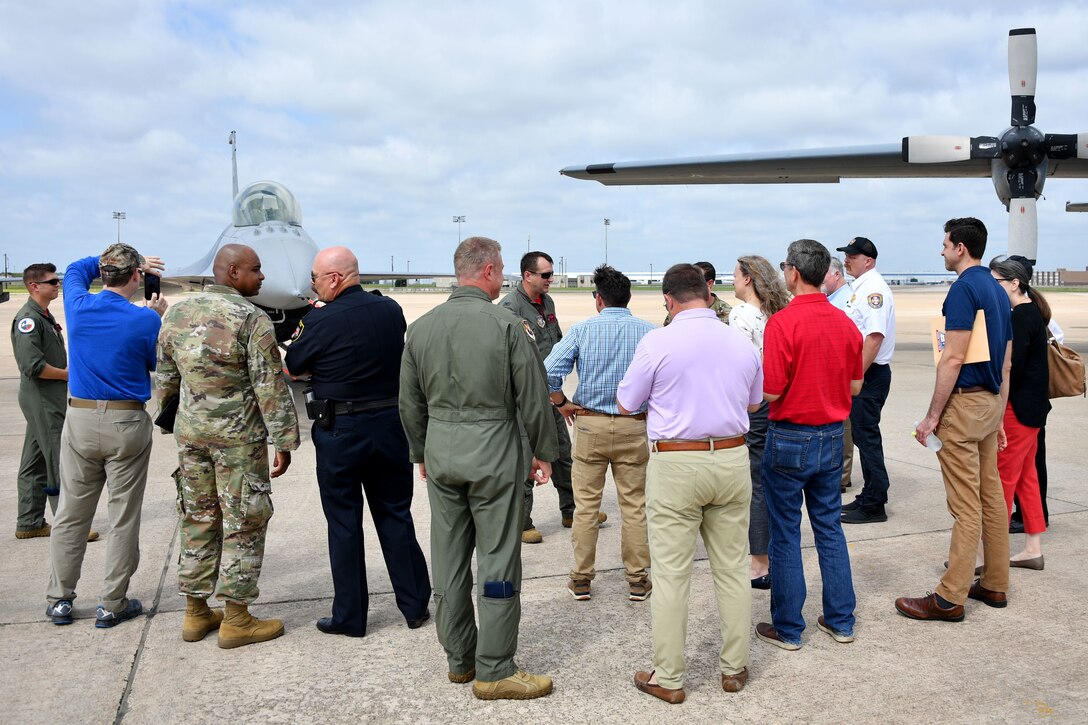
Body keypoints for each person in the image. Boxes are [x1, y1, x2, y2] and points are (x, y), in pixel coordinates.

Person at [400, 237, 558, 701]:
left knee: (448, 559)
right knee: (497, 558)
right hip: (494, 454)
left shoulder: (421, 328)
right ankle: (494, 668)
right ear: (488, 271)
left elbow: (409, 402)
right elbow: (533, 397)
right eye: (502, 268)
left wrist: (421, 453)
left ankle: (459, 659)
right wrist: (544, 451)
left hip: (442, 453)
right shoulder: (507, 326)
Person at [619, 263, 762, 704]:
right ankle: (733, 668)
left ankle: (670, 677)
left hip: (678, 463)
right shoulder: (740, 341)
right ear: (707, 292)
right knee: (732, 569)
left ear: (669, 299)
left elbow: (626, 402)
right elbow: (755, 402)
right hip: (733, 457)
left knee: (672, 575)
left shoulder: (658, 341)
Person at [157, 244, 300, 647]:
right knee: (245, 521)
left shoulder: (177, 313)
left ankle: (195, 612)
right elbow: (269, 386)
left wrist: (174, 424)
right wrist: (284, 440)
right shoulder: (251, 319)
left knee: (197, 517)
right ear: (233, 272)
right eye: (256, 270)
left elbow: (166, 377)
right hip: (237, 443)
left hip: (192, 437)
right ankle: (237, 618)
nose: (262, 277)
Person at [284, 246, 431, 637]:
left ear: (334, 278)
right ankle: (415, 606)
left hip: (341, 432)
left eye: (315, 279)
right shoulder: (390, 310)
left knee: (344, 524)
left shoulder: (320, 320)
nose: (312, 287)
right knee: (396, 515)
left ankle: (350, 618)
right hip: (389, 426)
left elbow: (293, 365)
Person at [896, 217, 1012, 622]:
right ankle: (996, 582)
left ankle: (949, 597)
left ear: (960, 247)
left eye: (944, 244)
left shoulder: (963, 289)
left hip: (963, 406)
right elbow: (1008, 362)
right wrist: (998, 413)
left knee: (965, 506)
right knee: (991, 496)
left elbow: (954, 355)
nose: (941, 250)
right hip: (990, 401)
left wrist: (932, 416)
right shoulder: (998, 290)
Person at [45, 243, 166, 628]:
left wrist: (118, 260)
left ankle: (60, 599)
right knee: (123, 516)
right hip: (125, 422)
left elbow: (75, 267)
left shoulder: (78, 305)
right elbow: (153, 363)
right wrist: (156, 317)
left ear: (104, 272)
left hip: (80, 419)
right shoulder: (143, 319)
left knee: (70, 515)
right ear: (136, 278)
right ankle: (112, 603)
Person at [755, 239, 863, 651]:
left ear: (793, 273)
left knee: (785, 533)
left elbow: (772, 392)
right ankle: (840, 620)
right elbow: (855, 385)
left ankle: (788, 626)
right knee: (829, 527)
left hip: (790, 436)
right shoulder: (845, 323)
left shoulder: (782, 323)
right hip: (832, 434)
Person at [542, 265, 655, 602]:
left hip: (589, 423)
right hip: (632, 425)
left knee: (586, 506)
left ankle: (581, 578)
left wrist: (562, 402)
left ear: (599, 299)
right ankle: (637, 579)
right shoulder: (648, 332)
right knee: (634, 505)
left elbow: (547, 372)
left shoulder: (583, 330)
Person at [499, 251, 585, 544]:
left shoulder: (547, 302)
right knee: (526, 460)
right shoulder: (510, 308)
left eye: (552, 274)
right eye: (546, 275)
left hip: (550, 392)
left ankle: (572, 511)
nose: (552, 279)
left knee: (562, 452)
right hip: (526, 398)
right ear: (527, 276)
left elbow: (556, 342)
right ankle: (523, 523)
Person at [11, 264, 98, 542]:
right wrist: (69, 375)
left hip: (46, 396)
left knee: (34, 461)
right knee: (58, 461)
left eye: (58, 280)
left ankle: (29, 521)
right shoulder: (29, 319)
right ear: (34, 286)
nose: (57, 285)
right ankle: (70, 528)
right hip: (43, 397)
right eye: (51, 281)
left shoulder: (43, 316)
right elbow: (32, 366)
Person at [730, 255, 791, 591]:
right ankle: (776, 551)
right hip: (782, 401)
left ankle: (759, 562)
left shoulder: (741, 316)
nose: (733, 281)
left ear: (748, 279)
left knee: (756, 482)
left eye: (736, 275)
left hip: (756, 405)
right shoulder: (778, 312)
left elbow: (741, 368)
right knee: (775, 479)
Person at [988, 255, 1050, 569]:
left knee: (1002, 482)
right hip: (1033, 410)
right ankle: (1032, 548)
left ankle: (993, 558)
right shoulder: (1029, 312)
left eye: (995, 281)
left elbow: (1011, 368)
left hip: (1018, 411)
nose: (992, 287)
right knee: (1027, 479)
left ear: (1014, 283)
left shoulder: (1021, 317)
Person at [837, 237, 896, 524]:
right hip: (864, 373)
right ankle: (870, 494)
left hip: (869, 374)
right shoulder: (859, 288)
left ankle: (875, 504)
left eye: (852, 256)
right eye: (846, 255)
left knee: (866, 437)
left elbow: (874, 338)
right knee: (862, 436)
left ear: (868, 261)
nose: (847, 260)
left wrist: (855, 377)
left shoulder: (874, 291)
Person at [822, 257, 854, 492]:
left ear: (835, 275)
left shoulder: (846, 299)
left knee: (843, 428)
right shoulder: (833, 298)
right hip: (830, 372)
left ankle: (841, 477)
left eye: (823, 275)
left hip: (839, 373)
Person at [662, 260, 731, 325]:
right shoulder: (679, 308)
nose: (689, 285)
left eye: (697, 282)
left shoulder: (728, 313)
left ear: (709, 283)